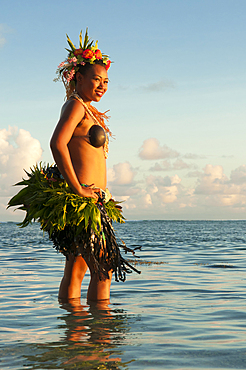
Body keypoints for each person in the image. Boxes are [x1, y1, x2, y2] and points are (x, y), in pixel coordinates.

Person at [49, 29, 139, 301]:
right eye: (96, 79)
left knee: (76, 269)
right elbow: (57, 143)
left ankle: (74, 336)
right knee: (104, 271)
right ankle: (100, 338)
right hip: (84, 201)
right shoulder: (75, 105)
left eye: (106, 81)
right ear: (78, 78)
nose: (102, 85)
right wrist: (78, 189)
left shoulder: (86, 108)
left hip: (94, 201)